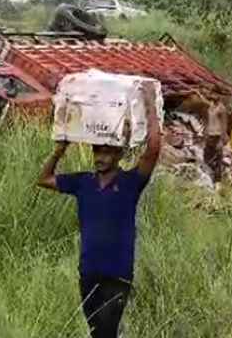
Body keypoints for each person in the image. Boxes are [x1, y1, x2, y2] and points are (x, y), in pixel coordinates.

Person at [37, 82, 162, 338]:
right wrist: (59, 151)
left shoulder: (130, 183)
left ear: (118, 155)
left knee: (106, 331)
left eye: (106, 152)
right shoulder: (83, 183)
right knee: (98, 332)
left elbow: (153, 149)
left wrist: (149, 102)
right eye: (97, 151)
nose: (100, 157)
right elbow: (44, 179)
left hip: (117, 274)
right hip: (89, 272)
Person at [204, 98, 228, 184]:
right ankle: (209, 179)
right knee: (207, 158)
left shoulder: (221, 108)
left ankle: (217, 182)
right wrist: (205, 133)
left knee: (217, 160)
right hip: (210, 135)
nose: (212, 95)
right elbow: (208, 121)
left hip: (217, 136)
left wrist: (221, 140)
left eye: (214, 94)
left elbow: (224, 125)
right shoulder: (211, 106)